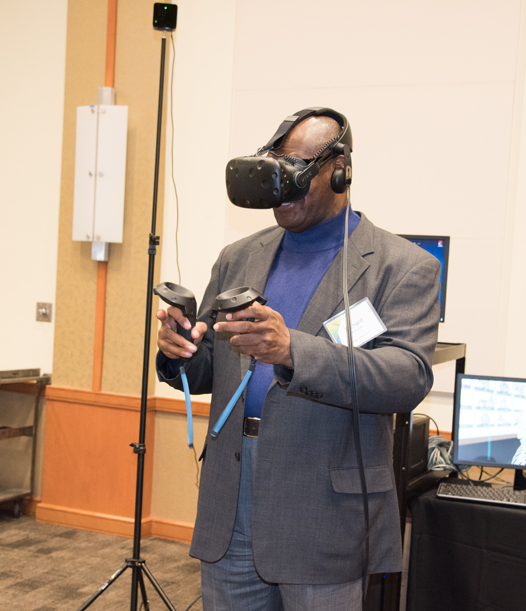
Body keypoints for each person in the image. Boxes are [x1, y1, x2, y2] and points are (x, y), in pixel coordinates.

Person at [156, 110, 441, 610]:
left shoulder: (402, 266)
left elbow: (407, 376)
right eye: (277, 169)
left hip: (323, 507)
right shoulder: (238, 257)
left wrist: (293, 350)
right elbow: (206, 368)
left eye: (297, 172)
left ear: (339, 171)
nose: (280, 188)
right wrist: (178, 350)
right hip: (233, 499)